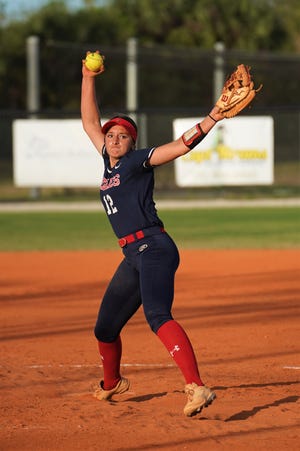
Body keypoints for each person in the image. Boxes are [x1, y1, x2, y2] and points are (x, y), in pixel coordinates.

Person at [81, 51, 224, 417]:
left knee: (158, 315)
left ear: (132, 143)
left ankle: (196, 387)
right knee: (105, 328)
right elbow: (89, 120)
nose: (114, 139)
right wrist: (88, 76)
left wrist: (213, 117)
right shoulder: (108, 161)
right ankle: (112, 383)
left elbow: (180, 146)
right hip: (132, 255)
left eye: (122, 136)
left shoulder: (137, 161)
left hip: (155, 247)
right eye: (111, 135)